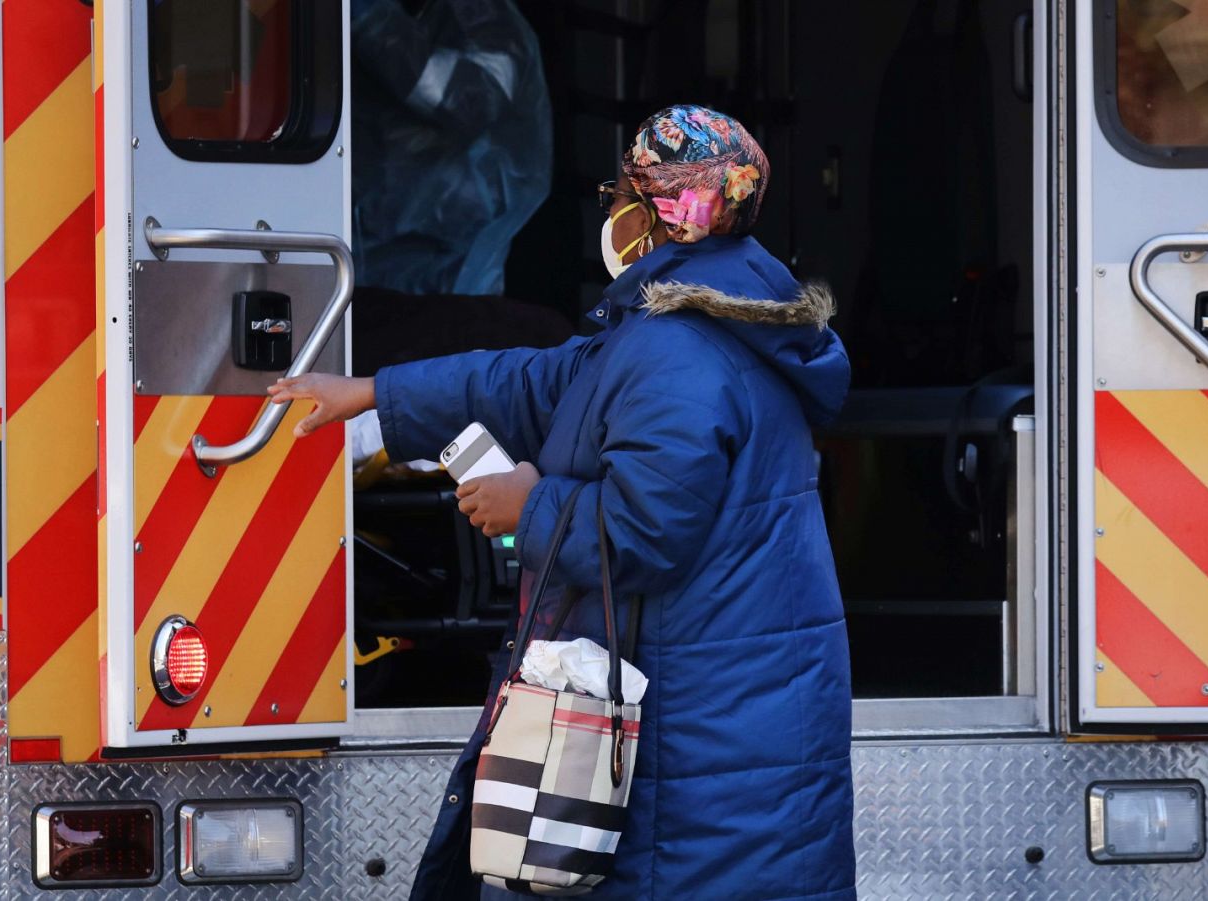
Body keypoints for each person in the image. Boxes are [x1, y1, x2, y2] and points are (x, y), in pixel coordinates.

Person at [269, 104, 856, 901]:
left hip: (698, 768)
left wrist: (529, 504)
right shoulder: (685, 325)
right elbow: (531, 380)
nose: (611, 208)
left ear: (660, 213)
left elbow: (644, 532)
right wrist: (375, 392)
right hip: (728, 739)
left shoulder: (678, 351)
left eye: (626, 191)